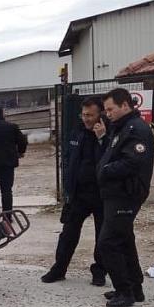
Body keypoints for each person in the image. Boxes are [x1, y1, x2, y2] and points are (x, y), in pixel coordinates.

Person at [94, 88, 154, 307]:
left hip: (126, 195)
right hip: (115, 194)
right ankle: (135, 288)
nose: (107, 114)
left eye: (110, 109)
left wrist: (105, 171)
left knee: (108, 243)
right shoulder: (120, 128)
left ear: (125, 105)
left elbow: (132, 163)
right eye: (106, 110)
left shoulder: (136, 129)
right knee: (125, 241)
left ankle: (124, 291)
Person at [42, 97, 108, 286]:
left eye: (91, 115)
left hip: (101, 194)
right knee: (68, 233)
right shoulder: (76, 132)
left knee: (102, 235)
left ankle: (99, 272)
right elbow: (68, 160)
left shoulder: (109, 134)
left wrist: (102, 139)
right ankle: (59, 269)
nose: (86, 119)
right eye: (84, 115)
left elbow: (109, 160)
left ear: (100, 114)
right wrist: (67, 187)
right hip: (78, 194)